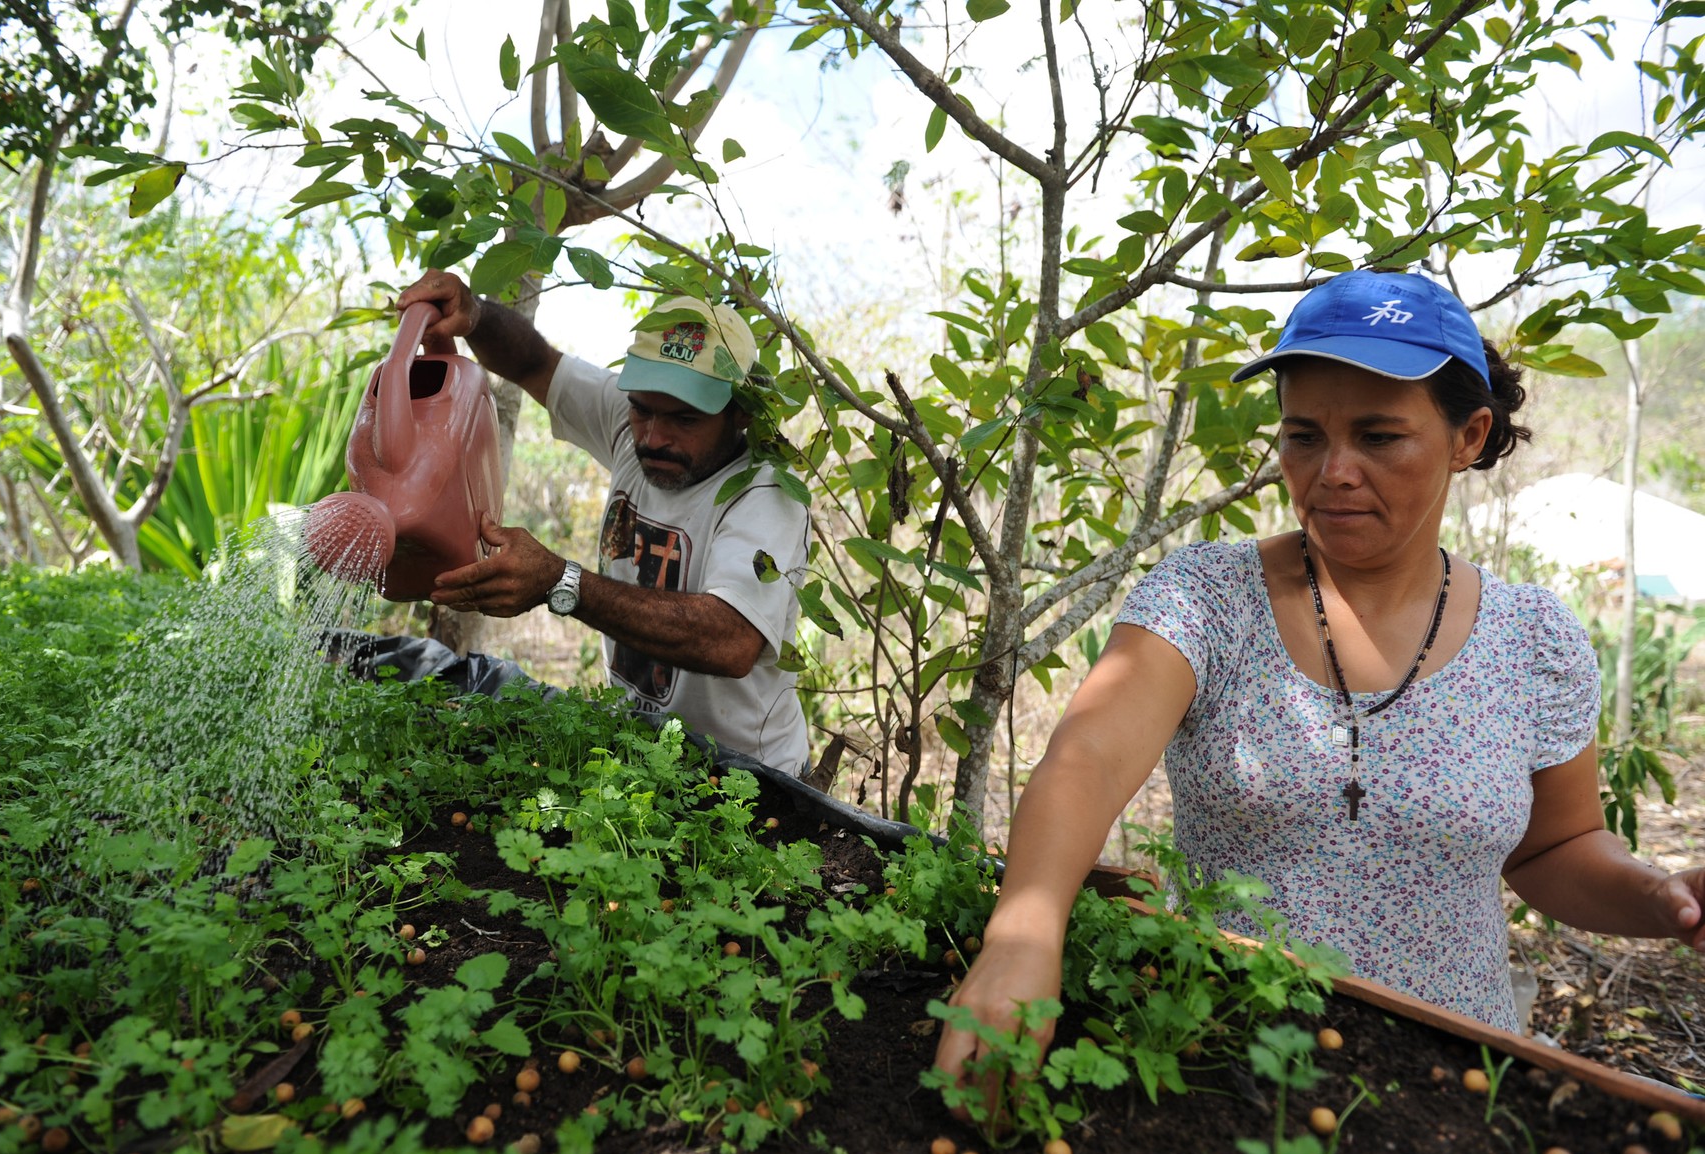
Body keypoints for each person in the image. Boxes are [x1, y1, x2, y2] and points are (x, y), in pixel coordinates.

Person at [934, 269, 1705, 1093]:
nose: (1332, 471)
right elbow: (1086, 757)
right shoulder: (1207, 599)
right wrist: (1023, 932)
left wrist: (1661, 899)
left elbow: (1555, 848)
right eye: (1303, 436)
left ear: (1468, 436)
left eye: (1378, 437)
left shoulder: (1533, 639)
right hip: (1220, 1066)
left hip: (1450, 1089)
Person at [394, 270, 811, 777]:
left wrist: (559, 581)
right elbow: (534, 362)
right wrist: (474, 315)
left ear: (738, 415)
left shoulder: (767, 495)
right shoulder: (627, 420)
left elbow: (728, 640)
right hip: (648, 759)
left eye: (685, 420)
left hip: (752, 783)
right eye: (642, 410)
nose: (653, 437)